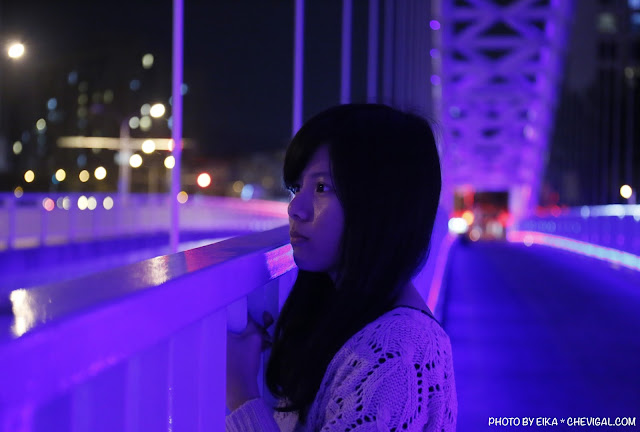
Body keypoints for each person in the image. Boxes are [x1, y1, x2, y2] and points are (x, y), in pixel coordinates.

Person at [226, 104, 457, 431]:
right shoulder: (345, 317)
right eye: (297, 188)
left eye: (322, 187)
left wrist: (241, 392)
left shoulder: (399, 354)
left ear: (381, 204)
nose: (295, 208)